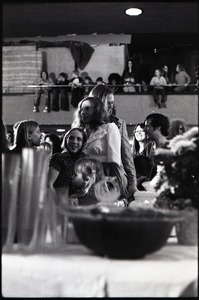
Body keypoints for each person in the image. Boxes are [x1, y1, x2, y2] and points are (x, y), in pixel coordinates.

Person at [71, 96, 129, 202]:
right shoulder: (79, 132)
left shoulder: (109, 128)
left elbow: (114, 163)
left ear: (97, 110)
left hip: (103, 183)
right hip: (82, 184)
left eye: (88, 109)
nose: (83, 112)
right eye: (81, 109)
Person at [89, 84, 137, 201]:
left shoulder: (118, 123)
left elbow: (126, 156)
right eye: (108, 102)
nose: (111, 105)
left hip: (115, 177)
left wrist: (133, 182)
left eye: (112, 102)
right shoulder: (85, 123)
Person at [48, 127, 87, 202]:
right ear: (66, 140)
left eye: (79, 139)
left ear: (83, 143)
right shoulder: (59, 158)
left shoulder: (85, 159)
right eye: (71, 138)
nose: (74, 142)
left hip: (80, 203)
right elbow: (49, 184)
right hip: (60, 201)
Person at [131, 123, 155, 190]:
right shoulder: (132, 151)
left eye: (141, 131)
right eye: (136, 131)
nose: (138, 133)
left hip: (147, 185)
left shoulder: (153, 150)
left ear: (148, 133)